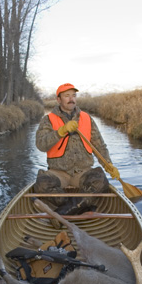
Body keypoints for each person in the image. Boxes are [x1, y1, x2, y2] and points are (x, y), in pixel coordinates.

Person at [35, 83, 120, 215]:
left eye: (73, 95)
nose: (71, 99)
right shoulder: (48, 120)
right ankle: (79, 206)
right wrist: (60, 132)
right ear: (58, 99)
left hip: (83, 171)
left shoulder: (87, 118)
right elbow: (41, 144)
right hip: (59, 172)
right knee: (42, 183)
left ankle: (63, 211)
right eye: (67, 96)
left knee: (100, 180)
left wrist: (108, 164)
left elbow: (99, 146)